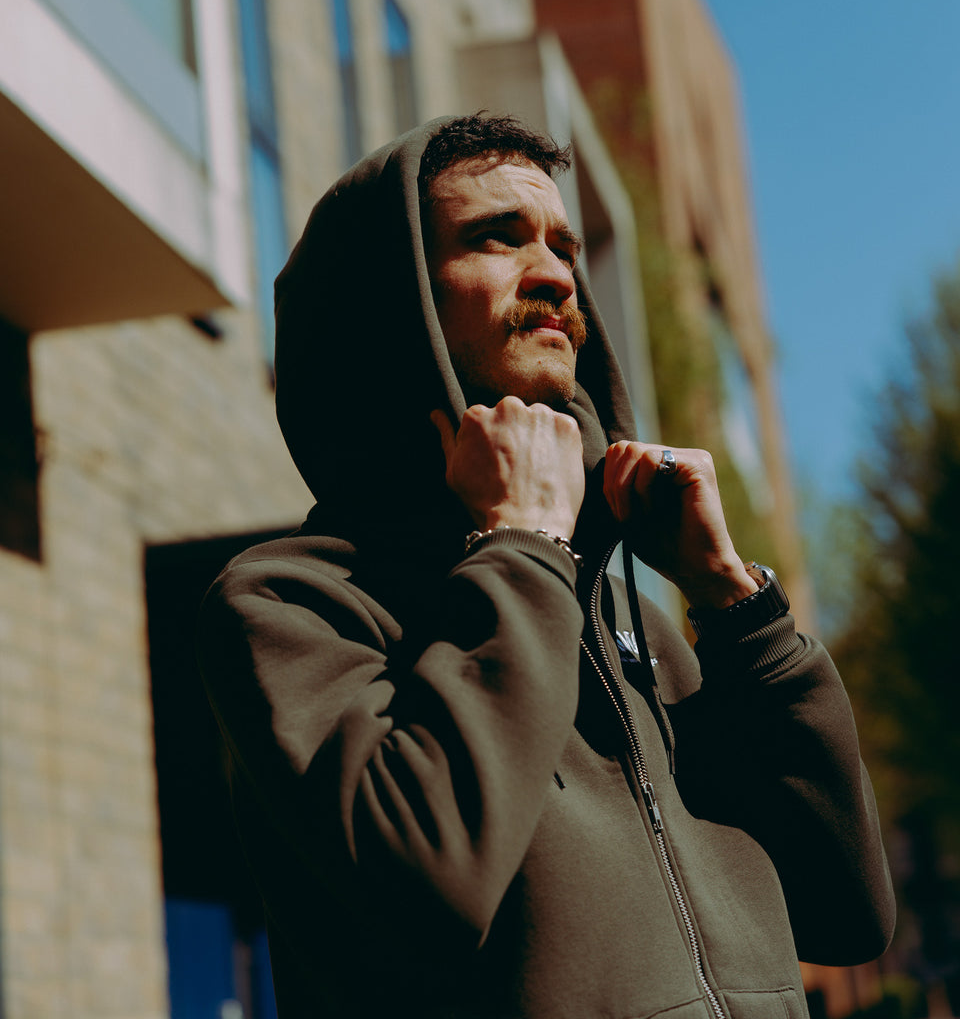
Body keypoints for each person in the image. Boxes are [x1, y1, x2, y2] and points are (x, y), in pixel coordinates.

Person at [198, 114, 895, 1019]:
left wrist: (736, 607)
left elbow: (848, 915)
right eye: (497, 236)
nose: (557, 275)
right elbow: (425, 872)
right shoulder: (290, 606)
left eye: (565, 246)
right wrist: (523, 541)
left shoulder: (647, 632)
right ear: (387, 299)